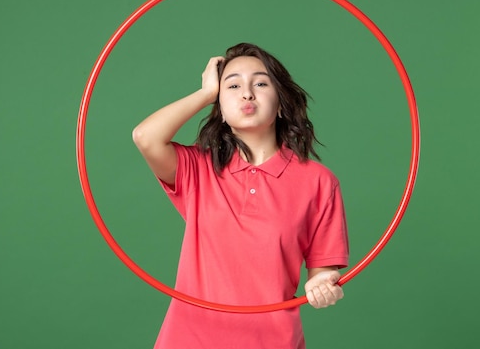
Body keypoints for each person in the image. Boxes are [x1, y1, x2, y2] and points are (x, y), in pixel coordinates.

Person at [132, 42, 349, 348]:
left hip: (273, 341)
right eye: (232, 85)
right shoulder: (199, 168)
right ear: (219, 108)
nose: (247, 93)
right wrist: (206, 93)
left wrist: (323, 285)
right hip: (189, 339)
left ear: (282, 103)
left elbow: (322, 271)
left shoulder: (319, 181)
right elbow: (145, 137)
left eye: (260, 83)